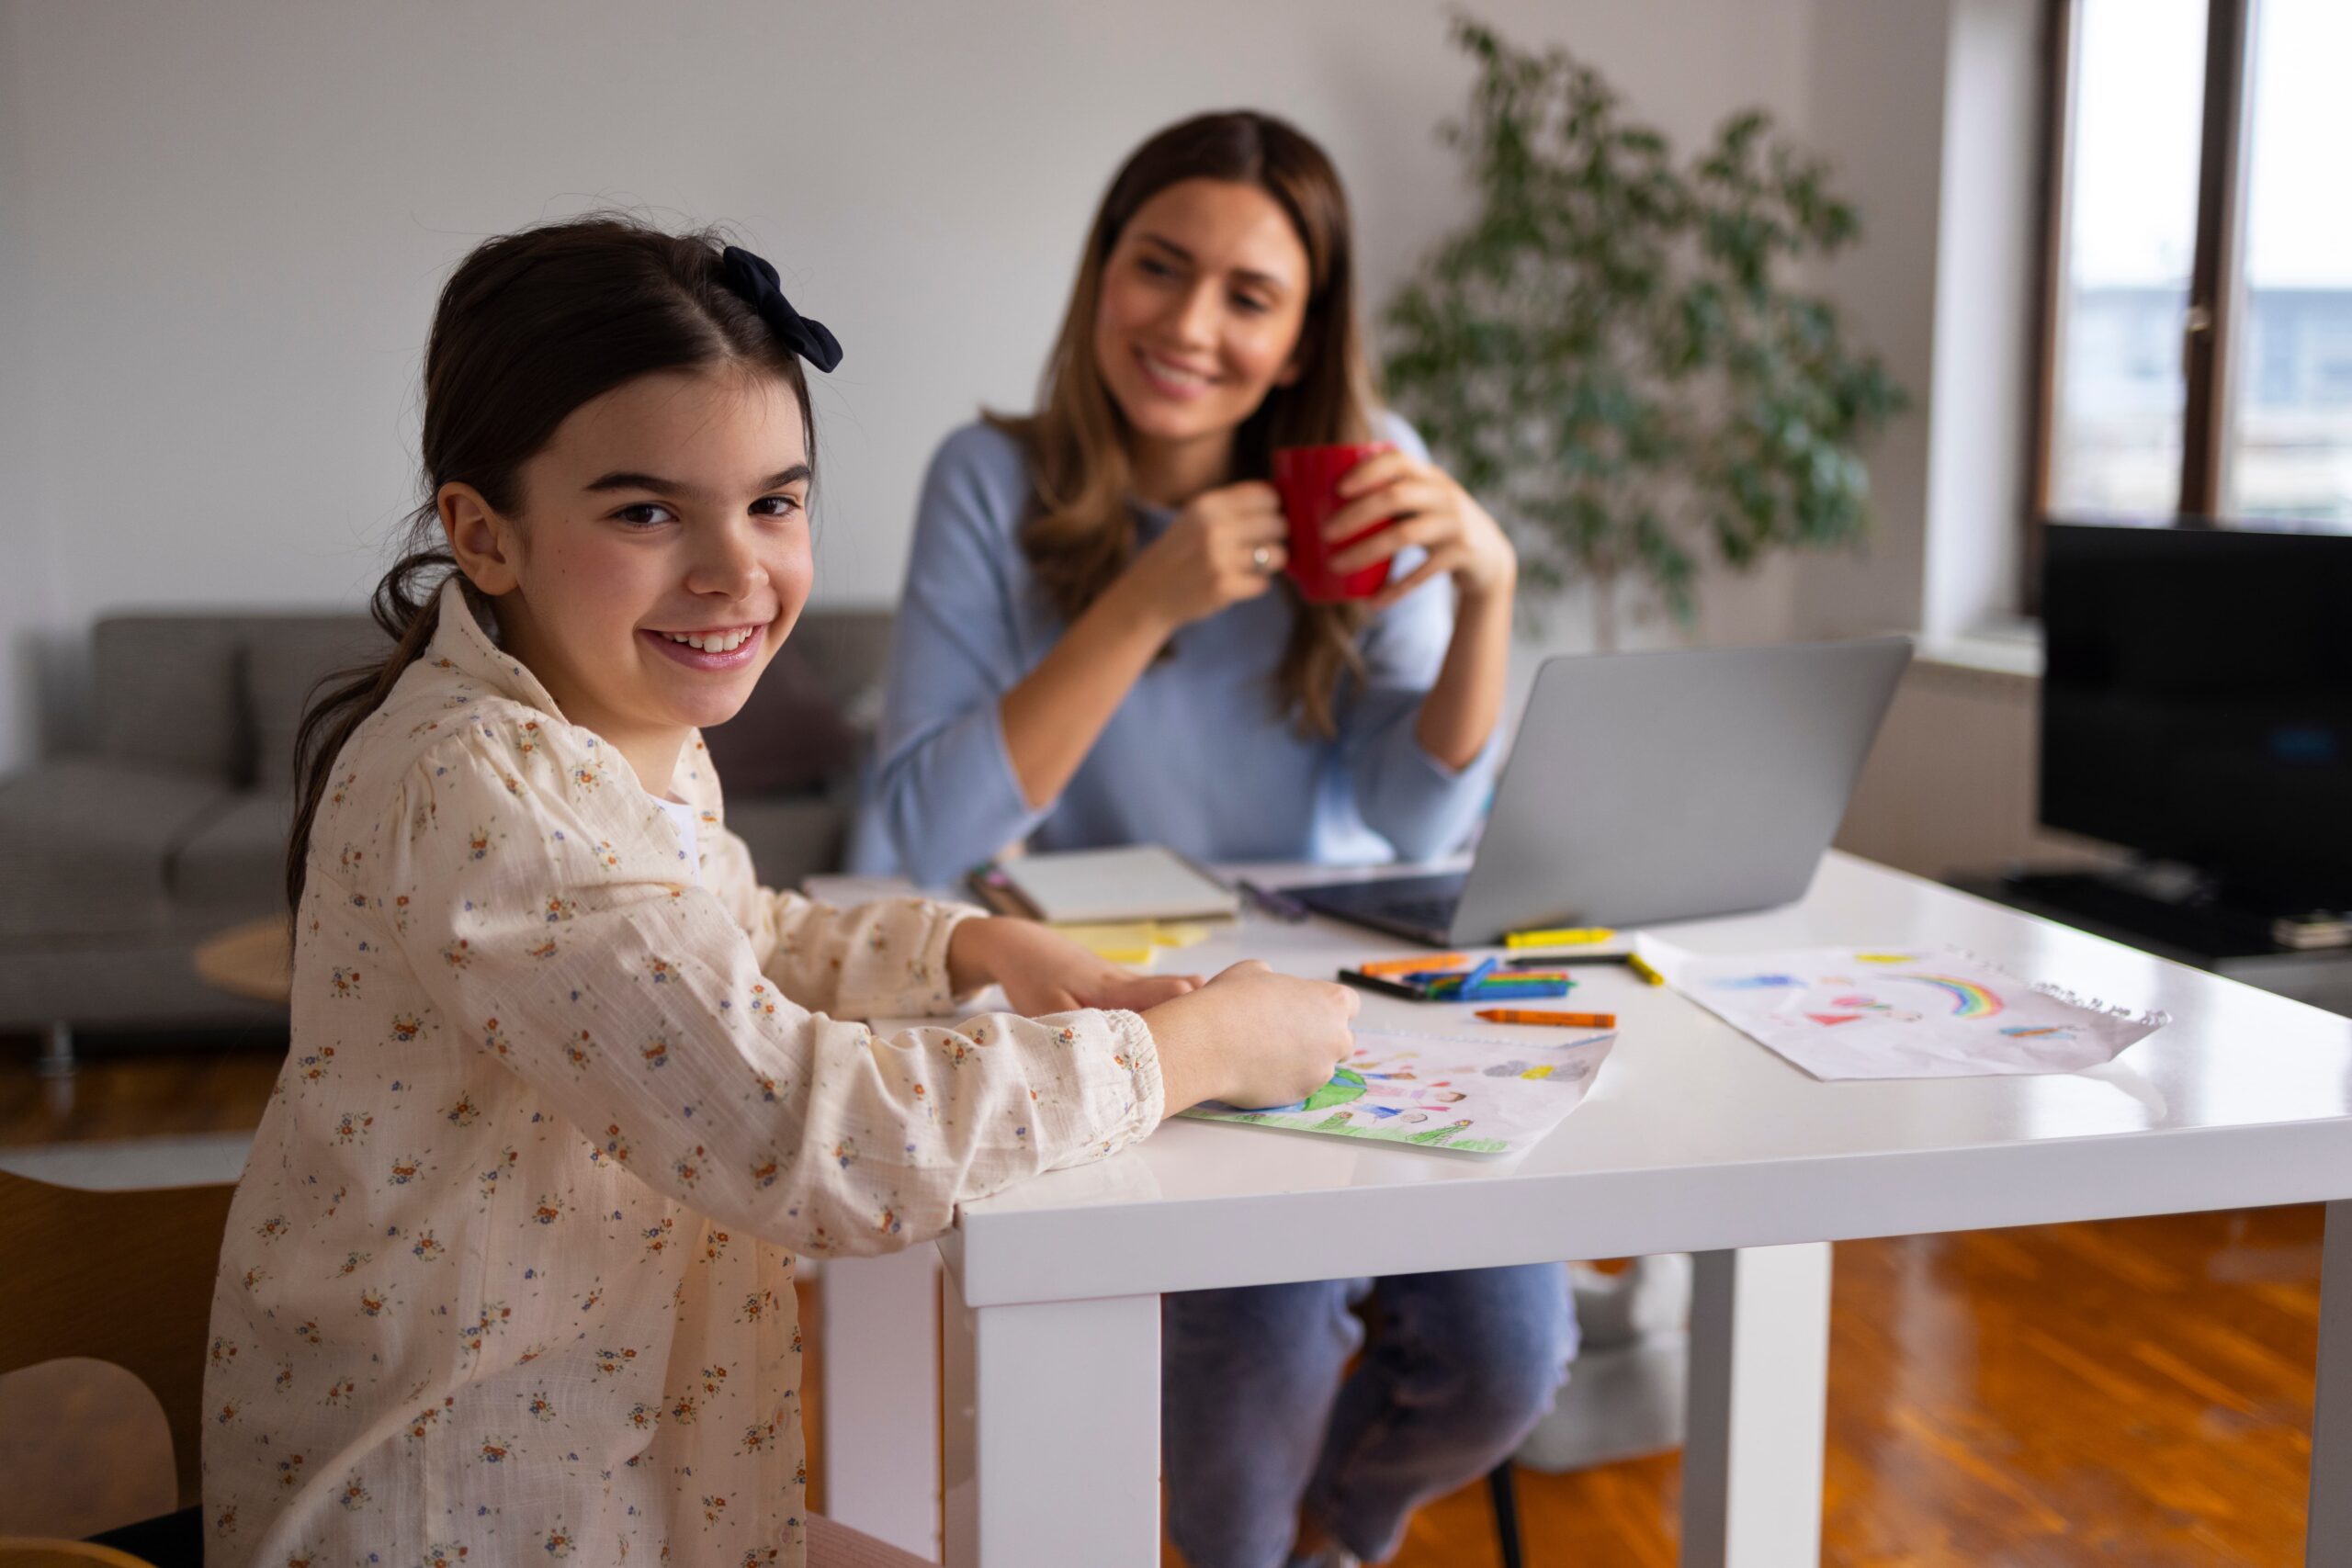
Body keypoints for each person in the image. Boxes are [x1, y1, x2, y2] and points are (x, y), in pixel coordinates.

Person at [200, 214, 1357, 1568]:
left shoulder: (618, 738)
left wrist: (968, 946)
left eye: (775, 502)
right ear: (484, 534)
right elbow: (805, 1143)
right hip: (461, 1517)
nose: (734, 570)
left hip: (648, 1476)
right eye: (646, 511)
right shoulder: (482, 787)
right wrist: (1188, 1047)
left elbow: (729, 940)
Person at [856, 114, 1576, 1568]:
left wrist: (1489, 597)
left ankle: (1339, 1538)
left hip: (1348, 1003)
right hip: (1136, 1016)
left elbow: (1418, 809)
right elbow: (919, 831)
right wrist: (1146, 601)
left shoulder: (1370, 480)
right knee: (1255, 1334)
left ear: (1305, 336)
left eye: (1249, 295)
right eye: (1157, 268)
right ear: (1099, 274)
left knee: (1510, 1350)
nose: (1189, 325)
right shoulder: (989, 483)